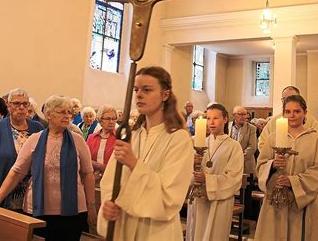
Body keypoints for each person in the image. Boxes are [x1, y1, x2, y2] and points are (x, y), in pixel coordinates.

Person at [0, 95, 96, 241]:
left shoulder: (77, 140)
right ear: (49, 115)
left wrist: (91, 206)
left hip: (73, 210)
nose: (67, 116)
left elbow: (88, 174)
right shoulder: (35, 139)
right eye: (62, 112)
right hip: (39, 209)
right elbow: (17, 172)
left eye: (69, 112)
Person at [98, 66, 194, 240]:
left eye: (147, 90)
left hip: (156, 230)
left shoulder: (179, 139)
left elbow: (170, 197)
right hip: (125, 226)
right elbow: (110, 183)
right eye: (136, 90)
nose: (139, 95)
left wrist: (134, 163)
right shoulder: (131, 135)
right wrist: (109, 203)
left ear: (165, 95)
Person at [255, 95, 318, 240]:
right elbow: (260, 166)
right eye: (287, 112)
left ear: (305, 113)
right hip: (275, 202)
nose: (292, 115)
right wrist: (272, 165)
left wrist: (293, 182)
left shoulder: (316, 139)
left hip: (301, 203)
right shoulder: (272, 138)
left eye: (296, 111)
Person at [186, 103, 243, 241]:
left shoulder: (234, 147)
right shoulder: (198, 142)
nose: (211, 122)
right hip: (199, 200)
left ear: (225, 119)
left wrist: (207, 179)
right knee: (196, 233)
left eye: (216, 118)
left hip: (220, 201)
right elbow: (185, 174)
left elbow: (234, 178)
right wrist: (192, 164)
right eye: (209, 118)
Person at [258, 85, 318, 151]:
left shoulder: (311, 121)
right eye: (284, 99)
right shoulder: (274, 121)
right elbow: (262, 143)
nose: (287, 101)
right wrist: (275, 158)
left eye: (292, 98)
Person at [228, 105, 256, 219]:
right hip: (229, 165)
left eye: (245, 114)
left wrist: (238, 159)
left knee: (247, 195)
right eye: (241, 114)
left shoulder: (251, 128)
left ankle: (246, 219)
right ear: (234, 115)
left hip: (246, 165)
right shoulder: (228, 126)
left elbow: (252, 147)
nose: (244, 116)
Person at [86, 105, 117, 176]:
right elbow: (85, 159)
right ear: (100, 121)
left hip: (111, 179)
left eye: (114, 119)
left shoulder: (119, 138)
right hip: (93, 179)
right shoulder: (91, 137)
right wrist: (99, 166)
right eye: (108, 119)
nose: (111, 122)